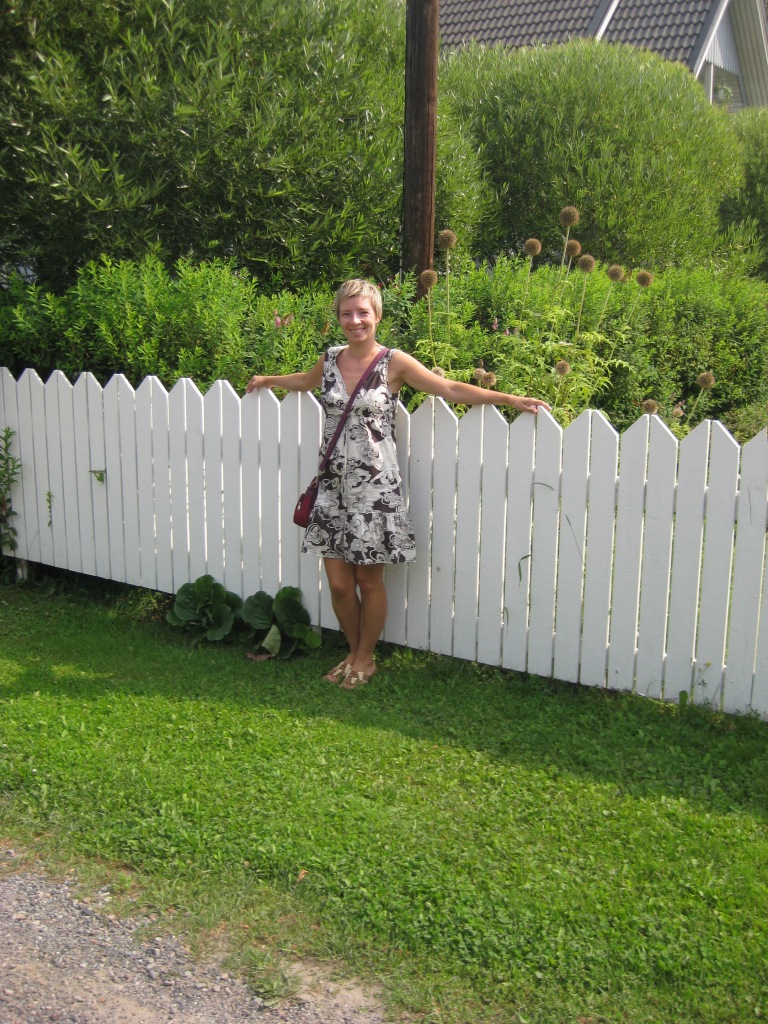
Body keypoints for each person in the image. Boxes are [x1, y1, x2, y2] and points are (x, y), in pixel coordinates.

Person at [246, 279, 549, 689]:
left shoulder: (394, 362)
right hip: (332, 487)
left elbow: (450, 388)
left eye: (362, 312)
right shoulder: (330, 360)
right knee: (339, 584)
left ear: (377, 315)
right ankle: (353, 651)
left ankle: (365, 659)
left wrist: (509, 399)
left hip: (375, 490)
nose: (355, 321)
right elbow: (303, 380)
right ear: (338, 318)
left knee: (368, 581)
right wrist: (268, 379)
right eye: (346, 313)